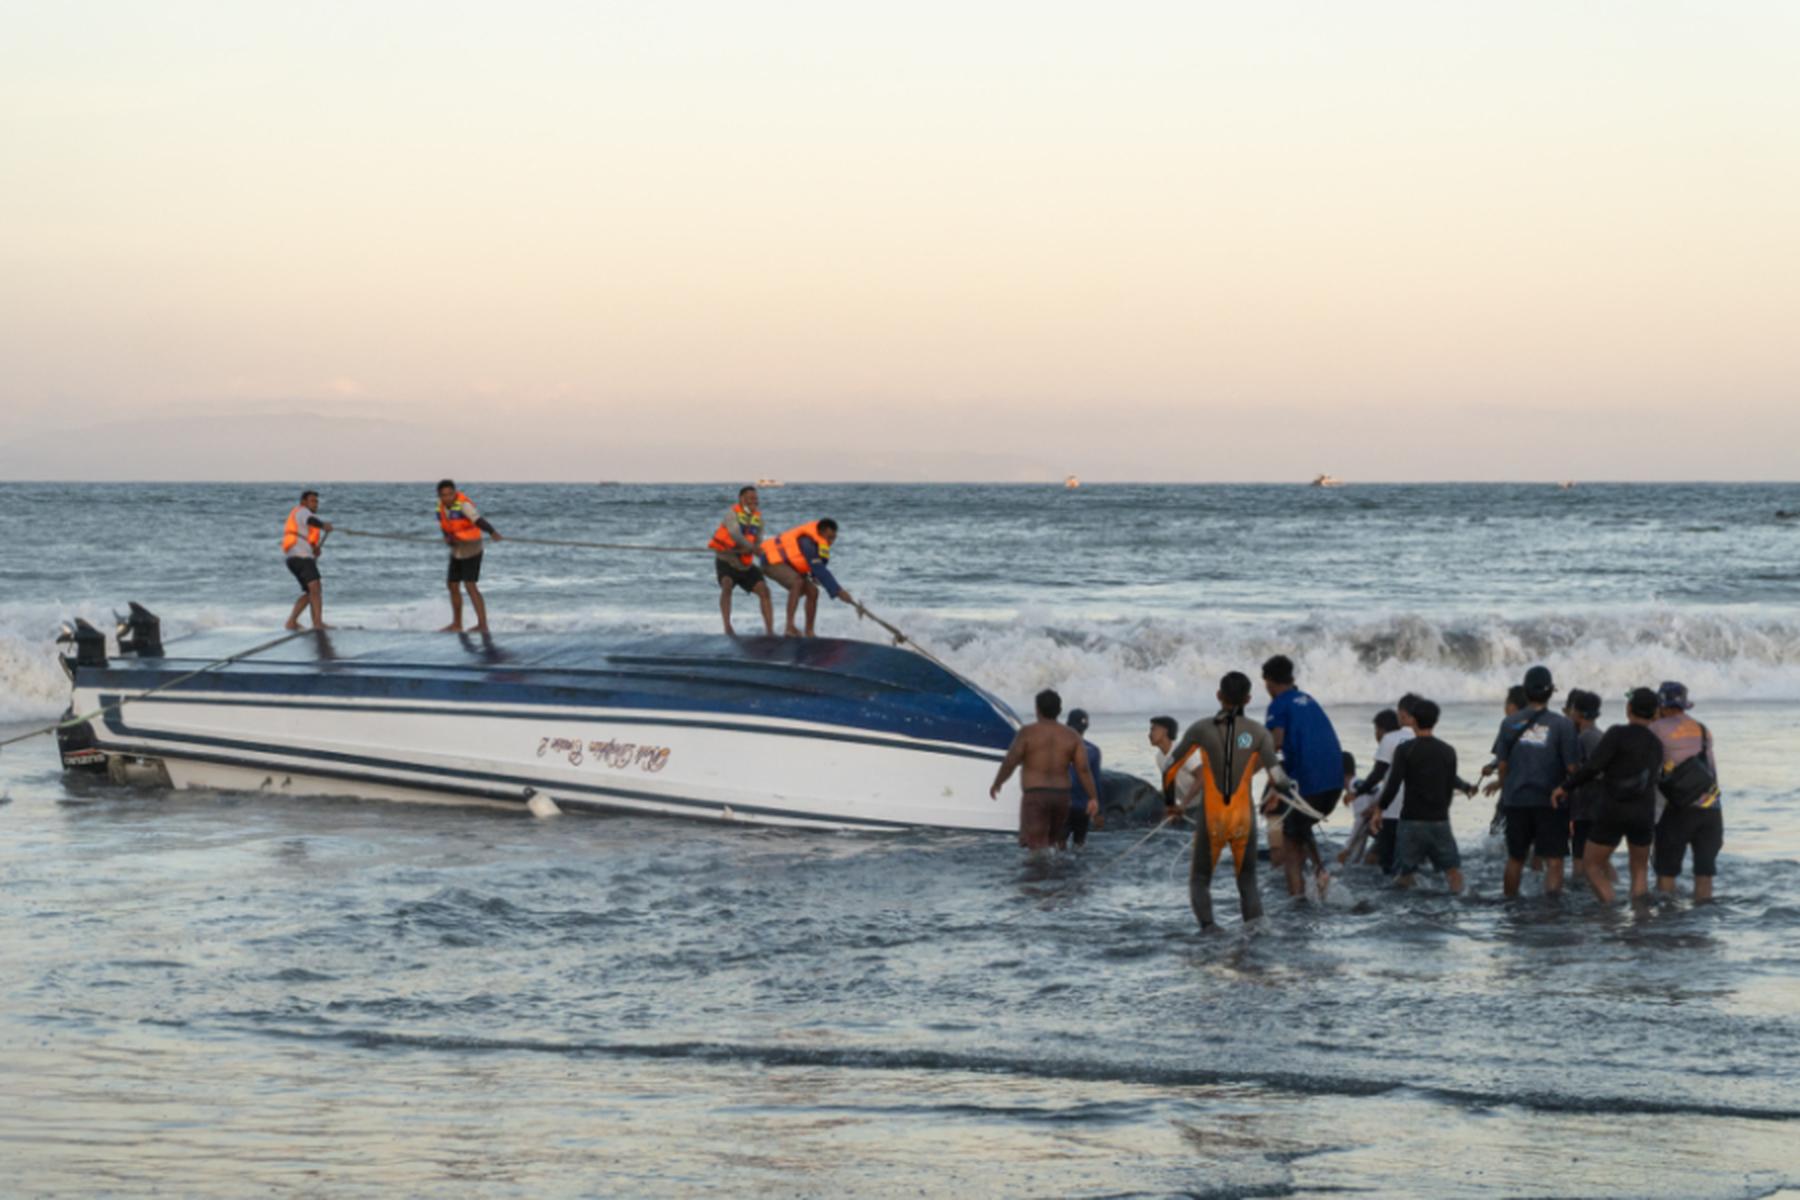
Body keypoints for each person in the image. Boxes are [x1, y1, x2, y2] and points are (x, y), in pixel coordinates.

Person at [1162, 671, 1295, 930]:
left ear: (1219, 696)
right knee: (1247, 881)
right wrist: (1286, 786)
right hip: (1243, 818)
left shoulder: (1201, 729)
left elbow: (1170, 768)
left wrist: (1172, 805)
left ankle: (1210, 931)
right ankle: (1255, 933)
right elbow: (1278, 776)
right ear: (1248, 698)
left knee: (1200, 879)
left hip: (1212, 816)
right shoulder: (1258, 733)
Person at [1552, 687, 1662, 904]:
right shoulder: (1656, 743)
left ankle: (1610, 908)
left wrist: (1565, 787)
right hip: (1643, 812)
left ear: (1628, 709)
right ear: (1655, 714)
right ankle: (1640, 921)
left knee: (1591, 864)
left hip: (1614, 810)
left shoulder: (1617, 734)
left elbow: (1592, 767)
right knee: (1639, 870)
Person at [1490, 665, 1581, 898]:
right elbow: (1573, 768)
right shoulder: (1563, 725)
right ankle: (1550, 910)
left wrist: (1505, 786)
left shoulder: (1509, 723)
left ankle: (1510, 905)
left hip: (1516, 800)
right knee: (1554, 861)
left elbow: (1502, 765)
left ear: (1525, 691)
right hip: (1551, 802)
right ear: (1551, 692)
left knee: (1515, 859)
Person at [1260, 655, 1345, 899]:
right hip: (1334, 784)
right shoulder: (1307, 699)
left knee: (1290, 843)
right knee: (1299, 827)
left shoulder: (1278, 704)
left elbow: (1272, 744)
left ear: (1269, 682)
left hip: (1310, 786)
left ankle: (1296, 900)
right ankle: (1320, 872)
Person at [1374, 699, 1476, 893]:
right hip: (1439, 820)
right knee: (1453, 871)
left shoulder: (1405, 750)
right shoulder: (1448, 751)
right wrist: (1465, 788)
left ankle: (1406, 914)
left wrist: (1380, 809)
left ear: (1413, 721)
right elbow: (1449, 783)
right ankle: (1458, 903)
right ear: (1435, 721)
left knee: (1404, 874)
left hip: (1411, 821)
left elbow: (1393, 784)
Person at [991, 689, 1098, 851]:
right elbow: (1083, 769)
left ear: (1037, 710)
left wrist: (998, 782)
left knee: (1036, 846)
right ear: (1060, 711)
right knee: (1054, 843)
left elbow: (1011, 761)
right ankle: (1059, 873)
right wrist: (1093, 797)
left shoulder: (1027, 733)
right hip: (1061, 797)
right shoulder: (1071, 736)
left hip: (1036, 796)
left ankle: (1041, 874)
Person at [1650, 681, 1723, 902]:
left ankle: (1669, 923)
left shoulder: (1656, 729)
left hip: (1678, 811)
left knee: (1667, 873)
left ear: (1661, 704)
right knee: (1704, 874)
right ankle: (1701, 925)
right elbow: (1711, 770)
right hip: (1711, 809)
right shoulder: (1703, 730)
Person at [1348, 703, 1416, 875]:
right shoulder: (1413, 736)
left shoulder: (1388, 739)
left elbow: (1379, 773)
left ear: (1381, 729)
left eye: (1376, 730)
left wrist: (1358, 792)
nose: (1376, 735)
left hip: (1393, 809)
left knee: (1387, 862)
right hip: (1417, 808)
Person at [759, 518, 856, 638]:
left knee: (813, 592)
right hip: (770, 561)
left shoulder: (821, 546)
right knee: (797, 582)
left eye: (834, 538)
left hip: (787, 565)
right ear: (821, 532)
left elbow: (817, 570)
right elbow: (818, 568)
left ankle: (809, 632)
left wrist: (817, 578)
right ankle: (789, 627)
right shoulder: (807, 542)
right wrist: (838, 591)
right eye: (829, 537)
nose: (831, 542)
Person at [435, 480, 503, 633]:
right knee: (452, 584)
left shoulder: (464, 505)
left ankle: (482, 625)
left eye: (450, 494)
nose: (447, 498)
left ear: (454, 493)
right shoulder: (440, 507)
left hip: (472, 547)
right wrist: (447, 537)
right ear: (439, 496)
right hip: (457, 548)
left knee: (470, 585)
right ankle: (457, 624)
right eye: (444, 495)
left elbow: (479, 521)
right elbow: (445, 526)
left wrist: (492, 532)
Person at [708, 485, 775, 637]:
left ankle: (770, 632)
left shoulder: (759, 520)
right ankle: (727, 626)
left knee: (764, 590)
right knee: (727, 585)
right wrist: (749, 547)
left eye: (756, 499)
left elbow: (758, 542)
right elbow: (735, 534)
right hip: (726, 560)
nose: (754, 501)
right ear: (742, 499)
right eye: (751, 498)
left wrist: (758, 551)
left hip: (744, 565)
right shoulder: (732, 515)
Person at [1564, 689, 1614, 888]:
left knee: (1580, 858)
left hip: (1588, 808)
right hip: (1601, 807)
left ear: (1578, 713)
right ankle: (1613, 887)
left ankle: (1579, 892)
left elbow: (1585, 772)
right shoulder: (1599, 735)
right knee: (1600, 859)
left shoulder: (1584, 738)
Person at [281, 489, 333, 631]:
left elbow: (305, 537)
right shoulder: (303, 511)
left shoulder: (300, 517)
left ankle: (292, 622)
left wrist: (314, 548)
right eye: (312, 501)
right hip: (300, 557)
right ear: (304, 502)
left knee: (311, 592)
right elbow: (312, 520)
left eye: (316, 501)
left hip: (294, 557)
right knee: (315, 588)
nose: (315, 504)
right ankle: (317, 623)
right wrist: (323, 525)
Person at [1482, 684, 1530, 834]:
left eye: (1506, 703)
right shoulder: (1537, 726)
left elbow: (1503, 761)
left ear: (1512, 706)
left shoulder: (1508, 727)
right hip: (1535, 791)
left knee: (1496, 829)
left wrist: (1499, 782)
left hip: (1512, 789)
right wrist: (1491, 766)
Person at [1063, 709, 1103, 848]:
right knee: (1079, 846)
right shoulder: (1093, 750)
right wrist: (1098, 811)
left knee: (1057, 846)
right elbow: (1096, 782)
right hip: (1083, 807)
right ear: (1086, 727)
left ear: (1067, 725)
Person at [1149, 715, 1198, 823]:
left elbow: (1203, 777)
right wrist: (1170, 806)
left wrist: (1183, 804)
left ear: (1165, 731)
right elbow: (1169, 784)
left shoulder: (1182, 751)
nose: (1149, 734)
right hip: (1188, 804)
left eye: (1153, 729)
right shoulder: (1159, 758)